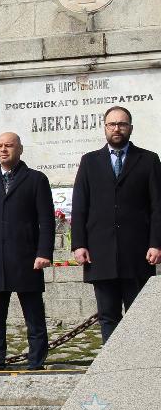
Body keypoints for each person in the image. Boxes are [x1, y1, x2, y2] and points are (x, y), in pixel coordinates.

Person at [71, 106, 161, 343]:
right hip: (100, 254)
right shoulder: (89, 161)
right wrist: (79, 244)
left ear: (130, 128)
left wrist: (156, 243)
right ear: (105, 127)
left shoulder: (149, 160)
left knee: (139, 316)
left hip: (138, 253)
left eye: (122, 124)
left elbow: (158, 206)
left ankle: (137, 360)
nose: (117, 129)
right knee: (108, 315)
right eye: (112, 124)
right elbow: (80, 206)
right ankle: (111, 362)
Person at [0, 133, 54, 370]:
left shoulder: (36, 179)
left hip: (27, 259)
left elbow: (46, 220)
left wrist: (44, 252)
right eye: (0, 146)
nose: (3, 150)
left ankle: (36, 362)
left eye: (9, 145)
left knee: (34, 317)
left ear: (20, 149)